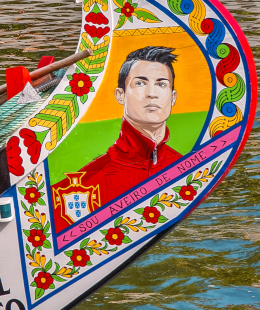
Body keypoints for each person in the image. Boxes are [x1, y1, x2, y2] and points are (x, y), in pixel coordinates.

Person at [52, 46, 182, 227]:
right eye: (140, 83)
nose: (152, 93)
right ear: (120, 95)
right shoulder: (80, 188)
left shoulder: (188, 169)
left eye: (161, 84)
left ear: (173, 97)